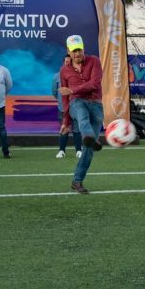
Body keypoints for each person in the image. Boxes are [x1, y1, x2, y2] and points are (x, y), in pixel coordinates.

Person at [58, 35, 104, 194]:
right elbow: (65, 97)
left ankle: (77, 181)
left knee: (88, 150)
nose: (77, 53)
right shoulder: (64, 70)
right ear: (68, 51)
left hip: (96, 105)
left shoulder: (94, 61)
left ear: (83, 48)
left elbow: (95, 84)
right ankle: (90, 138)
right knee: (82, 116)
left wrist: (72, 90)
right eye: (74, 50)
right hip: (76, 103)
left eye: (79, 49)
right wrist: (66, 120)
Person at [52, 54, 82, 159]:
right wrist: (62, 102)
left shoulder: (79, 75)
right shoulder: (56, 76)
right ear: (63, 63)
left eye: (70, 62)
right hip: (63, 109)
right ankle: (61, 151)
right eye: (66, 62)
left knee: (77, 130)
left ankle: (79, 150)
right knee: (64, 129)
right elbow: (54, 92)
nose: (68, 64)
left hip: (76, 108)